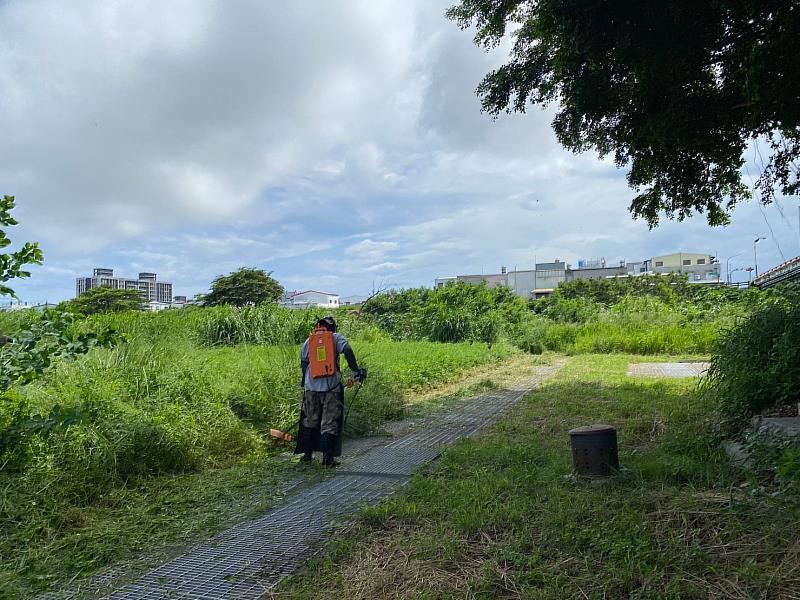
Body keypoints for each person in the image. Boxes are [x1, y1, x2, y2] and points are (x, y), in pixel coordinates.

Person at [295, 315, 365, 467]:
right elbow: (347, 349)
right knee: (329, 422)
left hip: (310, 388)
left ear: (318, 326)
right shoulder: (335, 337)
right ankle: (327, 460)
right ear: (333, 327)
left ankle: (307, 456)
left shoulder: (310, 340)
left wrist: (306, 382)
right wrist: (355, 370)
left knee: (309, 421)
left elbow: (303, 363)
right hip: (331, 387)